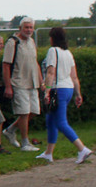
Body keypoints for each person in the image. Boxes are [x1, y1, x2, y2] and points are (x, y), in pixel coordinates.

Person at [36, 27, 92, 164]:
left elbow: (50, 73)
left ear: (52, 38)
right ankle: (48, 153)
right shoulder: (68, 53)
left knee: (61, 122)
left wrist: (47, 91)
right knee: (50, 119)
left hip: (57, 89)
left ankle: (82, 149)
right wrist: (78, 94)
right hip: (68, 89)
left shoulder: (52, 51)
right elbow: (74, 76)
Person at [1, 16, 42, 152]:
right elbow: (6, 65)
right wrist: (8, 86)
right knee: (24, 113)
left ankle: (10, 130)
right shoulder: (13, 43)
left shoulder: (31, 42)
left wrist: (41, 81)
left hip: (32, 83)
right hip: (18, 82)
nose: (29, 30)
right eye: (26, 27)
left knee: (34, 111)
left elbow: (35, 63)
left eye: (31, 27)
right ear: (20, 28)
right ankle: (25, 143)